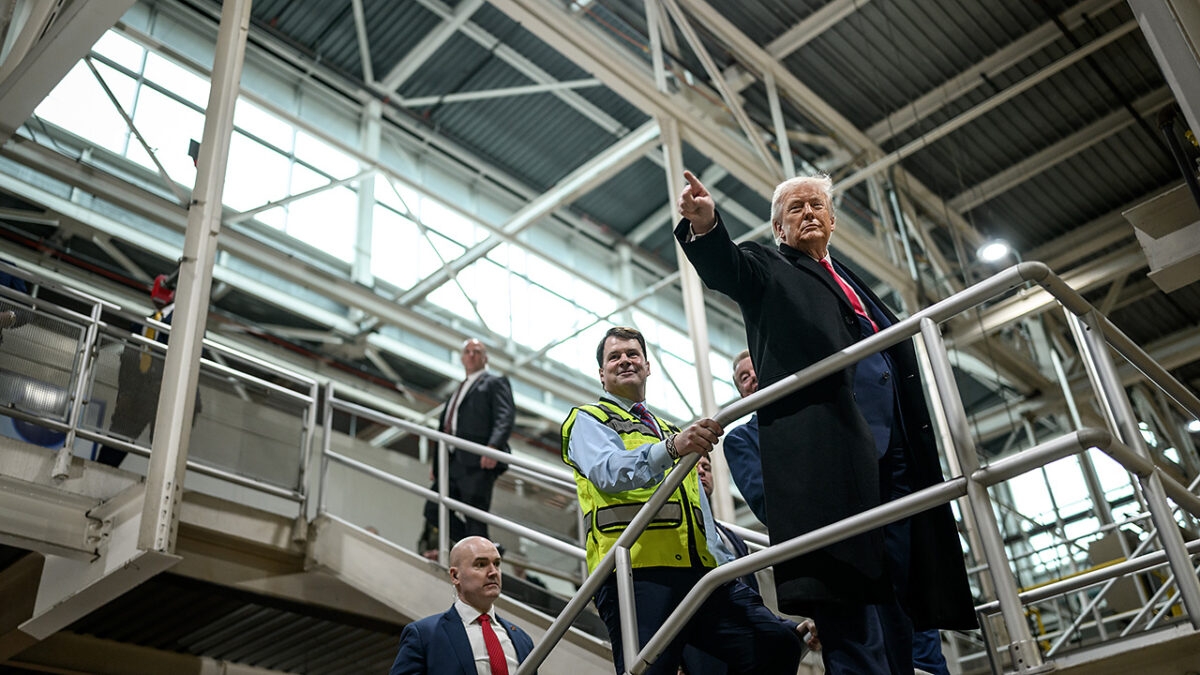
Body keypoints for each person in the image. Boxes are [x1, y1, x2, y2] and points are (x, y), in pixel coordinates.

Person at [675, 171, 975, 674]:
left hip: (896, 459)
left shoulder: (853, 282)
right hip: (830, 457)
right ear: (778, 228)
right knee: (850, 603)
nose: (808, 212)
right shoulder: (768, 264)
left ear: (833, 220)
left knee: (900, 594)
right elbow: (728, 268)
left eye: (817, 205)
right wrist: (706, 227)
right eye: (795, 208)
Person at [561, 326, 802, 675]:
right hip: (637, 575)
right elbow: (608, 471)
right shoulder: (588, 419)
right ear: (602, 374)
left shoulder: (668, 429)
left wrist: (723, 568)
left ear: (647, 366)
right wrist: (672, 448)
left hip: (700, 574)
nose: (625, 361)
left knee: (775, 643)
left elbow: (699, 511)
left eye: (632, 354)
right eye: (614, 357)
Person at [725, 352, 950, 675]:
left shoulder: (820, 413)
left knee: (917, 645)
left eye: (756, 371)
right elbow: (765, 502)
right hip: (827, 555)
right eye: (743, 378)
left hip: (878, 541)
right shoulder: (743, 438)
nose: (753, 380)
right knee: (857, 655)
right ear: (740, 391)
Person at [679, 455, 820, 675]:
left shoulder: (733, 539)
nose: (701, 472)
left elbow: (748, 601)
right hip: (704, 654)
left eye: (706, 467)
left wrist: (792, 627)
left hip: (747, 651)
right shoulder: (676, 533)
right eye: (693, 467)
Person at [421, 339, 516, 556]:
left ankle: (482, 555)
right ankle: (486, 550)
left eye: (477, 352)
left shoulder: (495, 382)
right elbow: (445, 428)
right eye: (467, 352)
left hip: (478, 461)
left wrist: (493, 447)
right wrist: (437, 463)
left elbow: (505, 416)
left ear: (485, 358)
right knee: (433, 509)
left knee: (475, 516)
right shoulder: (459, 388)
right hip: (451, 462)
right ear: (462, 357)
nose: (471, 355)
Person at [388, 536, 535, 675]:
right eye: (481, 564)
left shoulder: (522, 640)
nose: (493, 572)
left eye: (496, 564)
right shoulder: (424, 635)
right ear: (455, 576)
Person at [97, 273, 201, 468]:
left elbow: (193, 352)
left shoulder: (188, 320)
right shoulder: (145, 322)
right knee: (117, 438)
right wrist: (125, 393)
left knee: (164, 447)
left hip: (168, 393)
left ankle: (162, 485)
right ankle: (101, 469)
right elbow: (128, 362)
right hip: (139, 392)